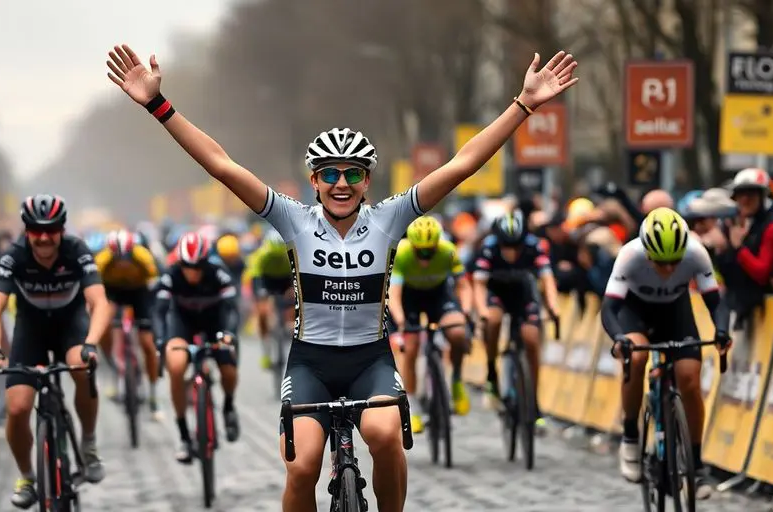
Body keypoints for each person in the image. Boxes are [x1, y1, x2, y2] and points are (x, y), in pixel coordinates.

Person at [107, 42, 577, 512]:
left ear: (367, 181)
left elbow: (462, 164)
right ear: (313, 180)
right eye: (329, 173)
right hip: (311, 362)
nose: (341, 183)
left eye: (353, 174)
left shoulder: (391, 219)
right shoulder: (293, 221)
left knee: (385, 435)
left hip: (369, 360)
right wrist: (156, 105)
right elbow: (221, 164)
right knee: (302, 465)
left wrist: (523, 106)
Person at [0, 194, 113, 509]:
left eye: (51, 230)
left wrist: (92, 344)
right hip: (32, 331)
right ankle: (27, 476)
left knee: (80, 366)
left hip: (70, 327)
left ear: (62, 229)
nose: (43, 238)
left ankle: (89, 443)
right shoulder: (14, 256)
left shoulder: (76, 251)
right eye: (35, 230)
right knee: (17, 408)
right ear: (26, 230)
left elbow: (100, 303)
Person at [601, 207, 730, 499]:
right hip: (636, 311)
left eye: (674, 262)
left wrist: (721, 330)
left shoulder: (696, 253)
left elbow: (716, 302)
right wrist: (619, 337)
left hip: (675, 311)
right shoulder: (629, 255)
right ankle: (631, 434)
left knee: (690, 379)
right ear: (647, 252)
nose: (669, 269)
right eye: (661, 262)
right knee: (636, 357)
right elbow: (610, 308)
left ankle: (696, 464)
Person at [153, 231, 241, 462]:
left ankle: (229, 407)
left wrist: (229, 334)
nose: (192, 272)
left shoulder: (219, 273)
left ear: (206, 263)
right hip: (183, 324)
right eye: (187, 267)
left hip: (215, 323)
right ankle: (183, 435)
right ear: (179, 262)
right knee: (176, 365)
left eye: (198, 267)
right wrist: (161, 340)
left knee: (228, 367)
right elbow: (159, 312)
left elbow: (232, 307)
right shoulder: (171, 275)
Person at [471, 209, 559, 423]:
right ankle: (492, 370)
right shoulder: (489, 247)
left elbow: (547, 280)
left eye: (516, 247)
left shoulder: (534, 246)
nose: (511, 252)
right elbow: (479, 285)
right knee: (493, 320)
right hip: (497, 293)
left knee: (531, 339)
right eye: (506, 247)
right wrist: (482, 311)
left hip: (523, 293)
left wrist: (553, 308)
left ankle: (534, 402)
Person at [387, 215, 472, 431]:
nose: (425, 256)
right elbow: (394, 294)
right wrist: (401, 321)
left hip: (439, 295)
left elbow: (463, 286)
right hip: (410, 298)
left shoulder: (448, 250)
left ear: (437, 245)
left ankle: (456, 381)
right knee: (412, 347)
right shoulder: (402, 253)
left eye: (429, 251)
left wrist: (466, 311)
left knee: (458, 334)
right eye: (420, 251)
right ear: (412, 245)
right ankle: (413, 406)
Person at [93, 229, 162, 417]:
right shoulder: (102, 259)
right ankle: (114, 367)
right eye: (118, 259)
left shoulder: (143, 255)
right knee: (103, 326)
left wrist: (152, 307)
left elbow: (155, 281)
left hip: (139, 292)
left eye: (126, 258)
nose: (123, 263)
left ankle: (153, 394)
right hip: (113, 291)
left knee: (147, 343)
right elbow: (93, 285)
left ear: (133, 251)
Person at [244, 229, 294, 370]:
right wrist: (260, 296)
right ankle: (266, 351)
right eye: (274, 254)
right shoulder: (261, 254)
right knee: (262, 311)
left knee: (293, 304)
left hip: (285, 278)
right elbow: (255, 276)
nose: (277, 256)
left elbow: (297, 273)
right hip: (264, 279)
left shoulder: (289, 252)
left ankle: (288, 326)